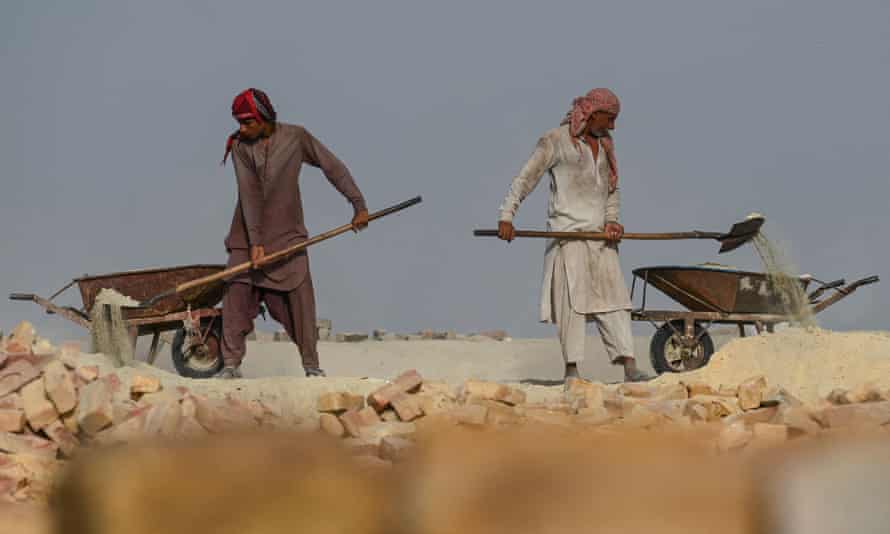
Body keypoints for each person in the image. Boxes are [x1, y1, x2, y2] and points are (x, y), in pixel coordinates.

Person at [497, 88, 650, 383]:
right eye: (609, 118)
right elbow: (525, 179)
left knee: (615, 302)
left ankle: (630, 366)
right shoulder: (555, 141)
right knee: (573, 307)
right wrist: (507, 216)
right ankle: (572, 372)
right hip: (569, 239)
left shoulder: (606, 146)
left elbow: (612, 191)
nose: (613, 126)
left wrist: (612, 221)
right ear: (592, 113)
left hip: (600, 240)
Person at [217, 88, 368, 379]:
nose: (241, 128)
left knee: (301, 299)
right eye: (239, 122)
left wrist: (358, 204)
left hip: (288, 235)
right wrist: (255, 243)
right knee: (235, 293)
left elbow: (332, 166)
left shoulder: (296, 138)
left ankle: (311, 365)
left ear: (263, 119)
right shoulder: (239, 147)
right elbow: (249, 194)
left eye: (247, 122)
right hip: (246, 238)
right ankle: (230, 365)